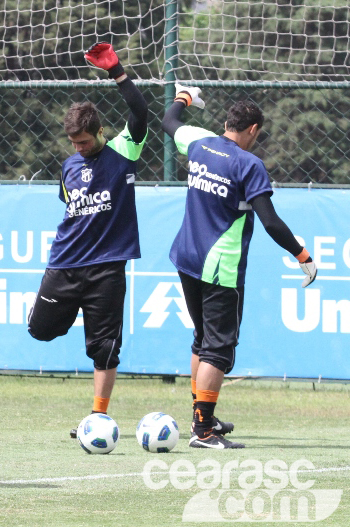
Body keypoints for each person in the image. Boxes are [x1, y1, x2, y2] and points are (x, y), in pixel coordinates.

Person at [161, 85, 317, 449]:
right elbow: (272, 222)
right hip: (220, 269)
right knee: (218, 348)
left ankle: (202, 415)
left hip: (185, 258)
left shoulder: (199, 143)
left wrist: (185, 97)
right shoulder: (249, 164)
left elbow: (169, 120)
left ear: (227, 123)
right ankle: (202, 431)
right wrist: (302, 256)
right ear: (253, 130)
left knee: (202, 340)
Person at [28, 42, 148, 428]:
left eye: (84, 141)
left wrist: (118, 72)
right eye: (74, 143)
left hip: (107, 268)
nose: (79, 148)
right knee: (40, 331)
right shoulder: (68, 165)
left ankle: (98, 417)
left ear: (100, 132)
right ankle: (50, 313)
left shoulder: (123, 151)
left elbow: (140, 111)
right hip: (64, 264)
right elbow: (68, 206)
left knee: (106, 349)